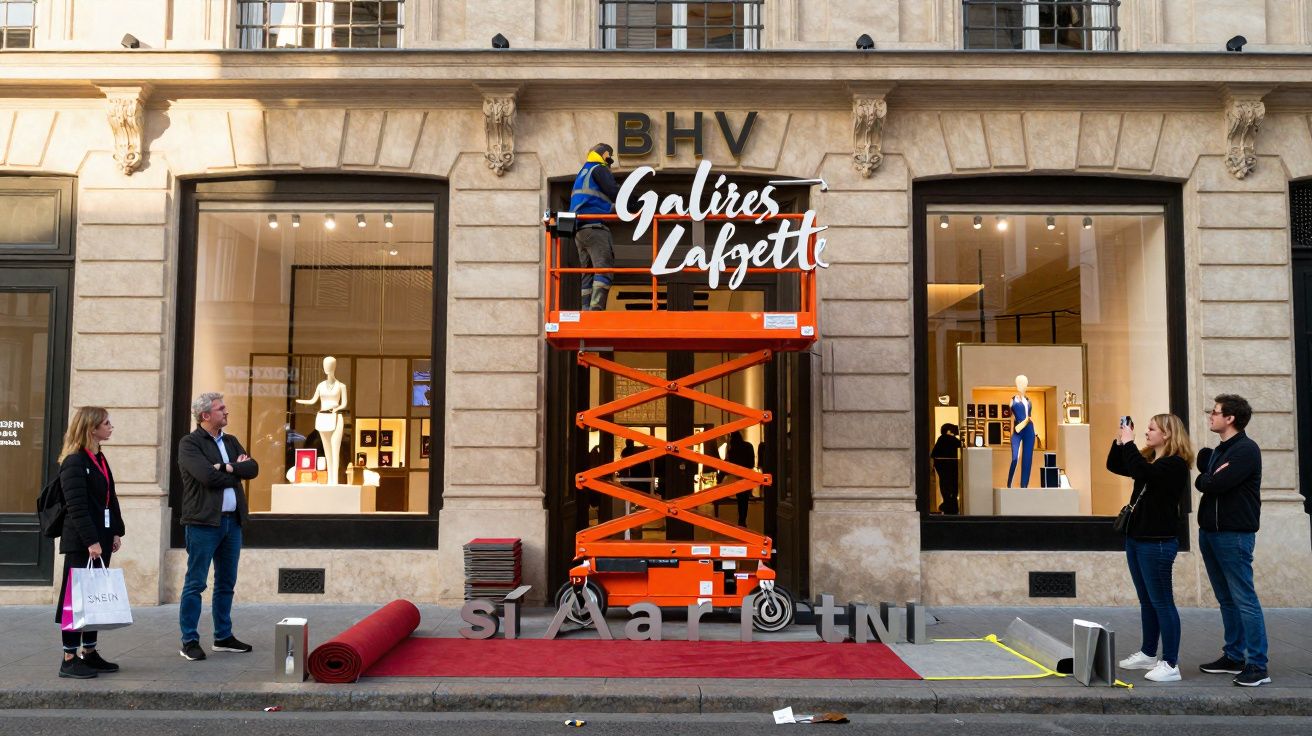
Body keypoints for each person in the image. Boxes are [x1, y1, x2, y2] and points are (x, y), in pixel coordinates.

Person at [1106, 414, 1192, 683]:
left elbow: (1143, 473)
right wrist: (1121, 442)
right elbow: (1116, 466)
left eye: (1152, 429)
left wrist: (1130, 443)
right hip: (1137, 537)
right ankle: (1148, 652)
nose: (1146, 432)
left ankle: (1171, 663)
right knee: (1147, 601)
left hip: (1157, 542)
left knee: (1162, 601)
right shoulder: (1153, 461)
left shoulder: (1174, 465)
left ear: (1166, 434)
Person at [177, 392, 260, 662]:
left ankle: (223, 636)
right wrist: (236, 470)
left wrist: (226, 466)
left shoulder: (231, 441)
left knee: (226, 583)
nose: (226, 412)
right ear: (205, 415)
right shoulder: (190, 444)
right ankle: (189, 640)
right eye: (220, 408)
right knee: (196, 583)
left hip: (231, 523)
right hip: (203, 522)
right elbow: (206, 477)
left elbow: (253, 469)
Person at [1195, 394, 1270, 687]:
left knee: (1244, 599)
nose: (1210, 416)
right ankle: (1234, 655)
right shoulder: (1220, 451)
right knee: (1226, 599)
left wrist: (1203, 479)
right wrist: (1208, 472)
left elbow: (1214, 483)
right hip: (1210, 533)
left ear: (1231, 419)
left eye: (1215, 413)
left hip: (1234, 535)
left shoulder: (1245, 450)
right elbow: (1208, 469)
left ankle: (1258, 665)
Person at [53, 406, 124, 679]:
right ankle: (68, 658)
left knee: (93, 597)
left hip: (101, 538)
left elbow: (111, 498)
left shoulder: (100, 458)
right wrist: (91, 541)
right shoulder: (73, 461)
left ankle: (90, 652)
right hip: (82, 541)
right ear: (92, 428)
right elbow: (76, 507)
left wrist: (116, 531)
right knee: (75, 599)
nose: (110, 427)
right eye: (106, 423)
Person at [569, 142, 620, 311]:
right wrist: (634, 203)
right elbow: (614, 191)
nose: (609, 163)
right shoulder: (599, 168)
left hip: (580, 230)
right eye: (609, 159)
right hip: (594, 227)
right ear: (605, 155)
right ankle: (596, 309)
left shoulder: (584, 172)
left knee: (587, 272)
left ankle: (586, 309)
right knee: (603, 268)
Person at [717, 431, 757, 527]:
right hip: (747, 476)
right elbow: (751, 463)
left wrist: (720, 478)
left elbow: (728, 465)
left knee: (740, 499)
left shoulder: (732, 449)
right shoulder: (748, 446)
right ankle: (742, 519)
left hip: (736, 477)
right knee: (745, 499)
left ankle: (741, 519)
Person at [930, 423, 962, 515]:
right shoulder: (950, 439)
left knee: (945, 487)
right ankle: (952, 507)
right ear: (949, 431)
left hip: (942, 466)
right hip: (951, 466)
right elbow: (960, 444)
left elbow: (934, 454)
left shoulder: (941, 439)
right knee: (953, 488)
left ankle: (947, 505)